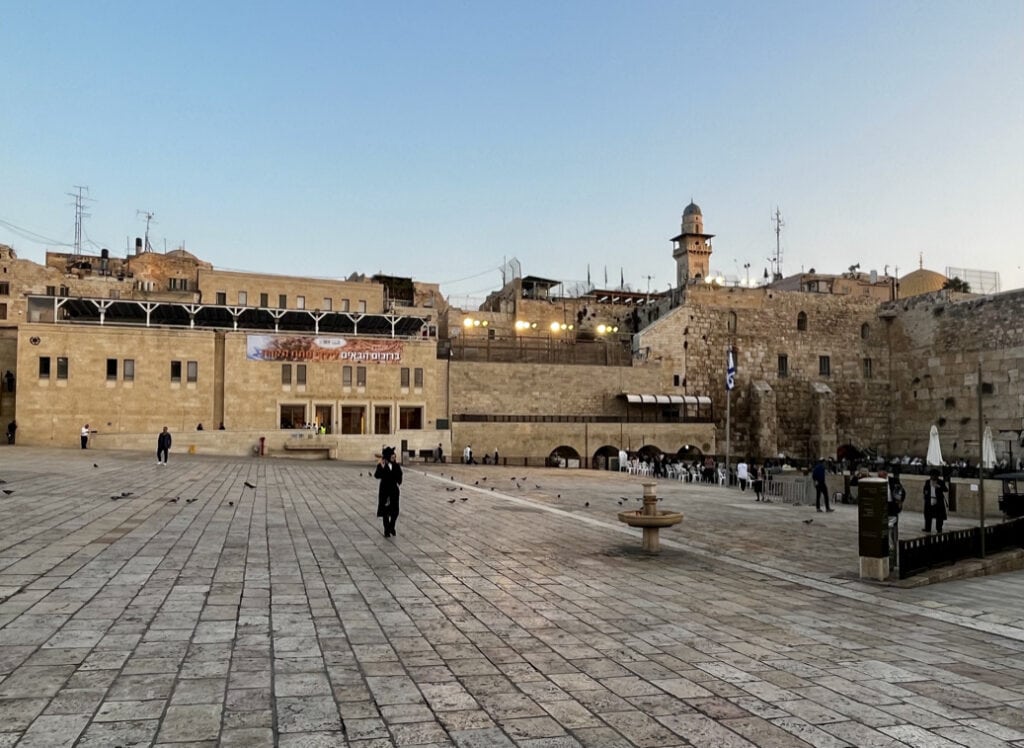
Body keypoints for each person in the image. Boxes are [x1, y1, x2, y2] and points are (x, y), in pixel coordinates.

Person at [375, 446, 403, 537]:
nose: (394, 458)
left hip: (394, 490)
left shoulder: (396, 465)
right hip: (385, 490)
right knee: (385, 511)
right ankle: (386, 530)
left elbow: (400, 475)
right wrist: (382, 467)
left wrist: (398, 482)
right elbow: (377, 475)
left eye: (394, 457)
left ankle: (392, 526)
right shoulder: (382, 465)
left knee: (395, 511)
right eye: (392, 457)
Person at [922, 468, 948, 533]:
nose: (933, 477)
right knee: (928, 515)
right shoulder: (927, 482)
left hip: (938, 501)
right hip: (929, 500)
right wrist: (926, 494)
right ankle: (927, 528)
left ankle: (939, 528)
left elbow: (946, 489)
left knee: (939, 516)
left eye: (934, 475)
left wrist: (939, 486)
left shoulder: (941, 482)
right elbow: (925, 489)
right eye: (932, 475)